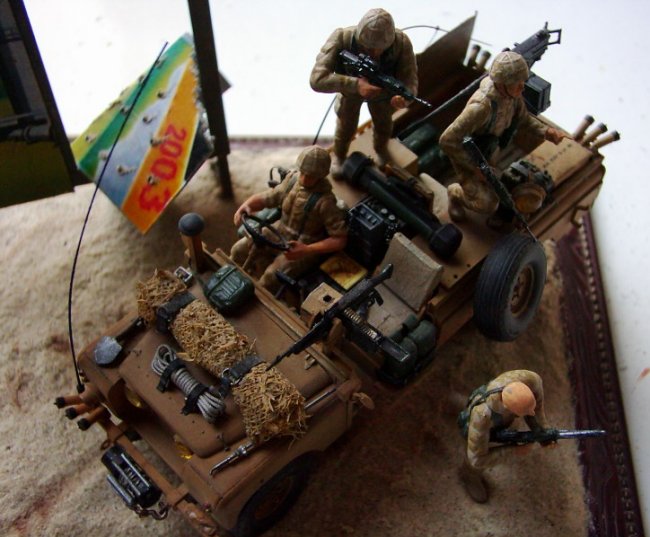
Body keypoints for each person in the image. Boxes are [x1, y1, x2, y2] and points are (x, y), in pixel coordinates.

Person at [439, 51, 568, 222]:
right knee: (487, 204)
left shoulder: (512, 97)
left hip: (489, 150)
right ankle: (455, 193)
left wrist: (546, 131)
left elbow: (523, 118)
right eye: (517, 83)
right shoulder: (481, 107)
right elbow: (447, 140)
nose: (522, 87)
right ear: (502, 84)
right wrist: (474, 168)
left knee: (500, 188)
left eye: (523, 82)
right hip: (468, 156)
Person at [310, 8, 418, 178]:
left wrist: (404, 98)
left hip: (382, 95)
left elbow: (410, 79)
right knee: (346, 127)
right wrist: (355, 84)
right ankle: (339, 156)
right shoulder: (341, 38)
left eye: (380, 49)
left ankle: (381, 150)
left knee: (384, 125)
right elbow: (317, 79)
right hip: (350, 93)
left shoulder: (401, 43)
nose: (374, 53)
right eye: (368, 47)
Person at [230, 146, 347, 293]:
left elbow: (340, 239)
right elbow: (269, 197)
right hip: (277, 232)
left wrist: (307, 249)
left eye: (310, 176)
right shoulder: (292, 181)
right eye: (302, 172)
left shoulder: (326, 202)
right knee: (238, 250)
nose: (304, 179)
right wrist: (247, 205)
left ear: (320, 176)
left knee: (270, 279)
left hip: (302, 247)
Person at [457, 369, 552, 503]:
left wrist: (543, 431)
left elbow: (535, 411)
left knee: (513, 428)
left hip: (507, 421)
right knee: (474, 458)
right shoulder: (482, 416)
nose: (529, 414)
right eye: (520, 413)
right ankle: (469, 475)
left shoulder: (531, 380)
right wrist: (513, 451)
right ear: (506, 407)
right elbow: (477, 459)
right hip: (483, 428)